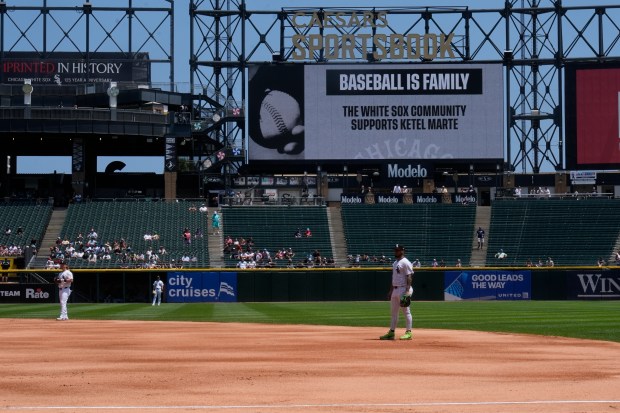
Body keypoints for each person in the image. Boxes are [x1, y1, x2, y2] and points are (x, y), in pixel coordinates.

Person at [380, 244, 413, 341]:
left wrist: (407, 291)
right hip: (395, 289)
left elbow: (409, 276)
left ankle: (408, 332)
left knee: (406, 311)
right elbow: (394, 278)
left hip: (404, 289)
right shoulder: (395, 263)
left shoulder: (405, 262)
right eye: (395, 250)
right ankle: (391, 332)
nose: (395, 252)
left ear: (402, 251)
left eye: (397, 250)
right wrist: (390, 290)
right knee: (393, 313)